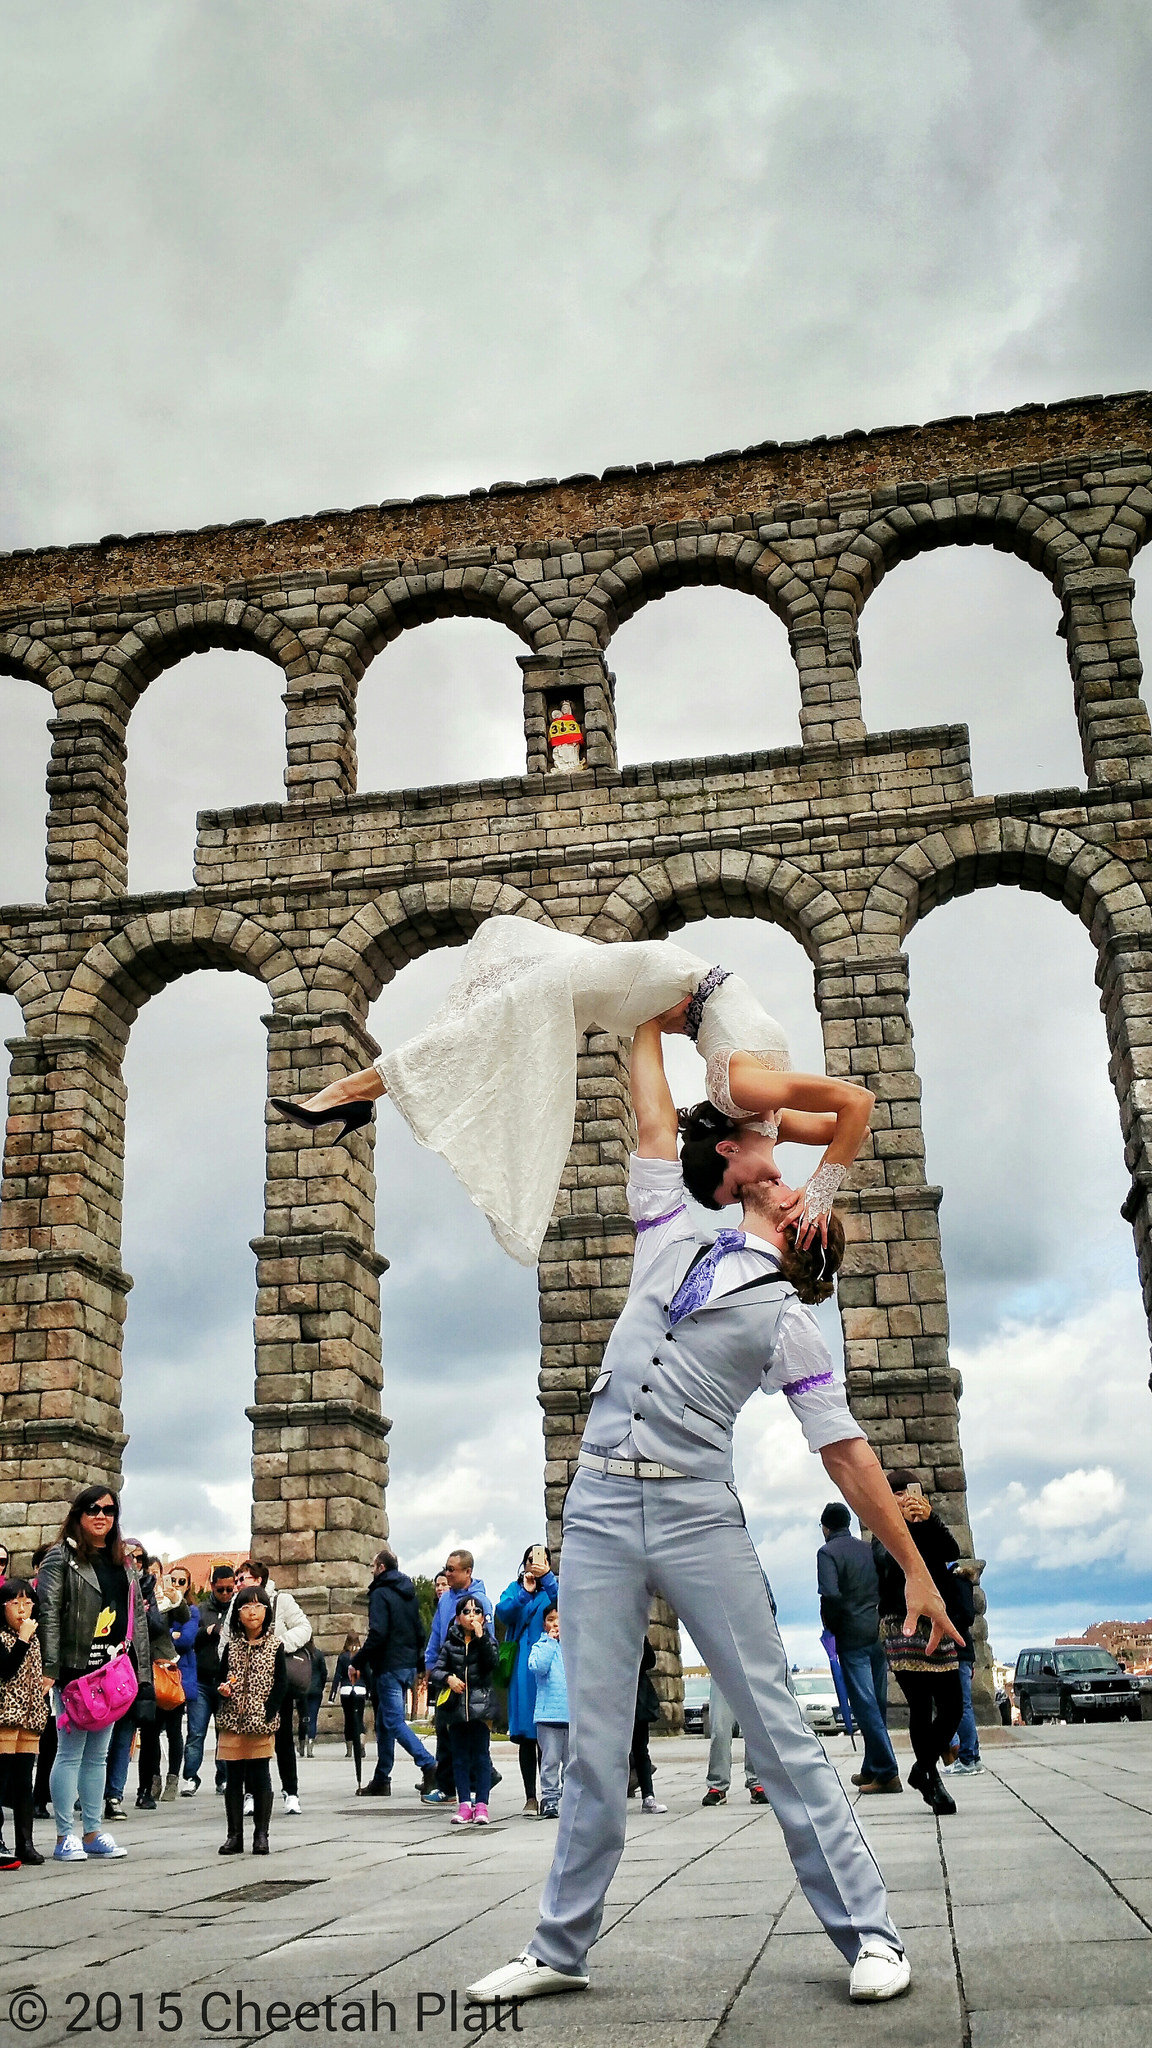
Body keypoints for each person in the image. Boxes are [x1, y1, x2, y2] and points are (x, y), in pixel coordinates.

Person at [465, 1008, 962, 2011]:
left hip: (697, 1512)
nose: (785, 1166)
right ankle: (561, 1942)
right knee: (597, 1733)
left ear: (814, 1231)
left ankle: (873, 1932)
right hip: (597, 1505)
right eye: (769, 1161)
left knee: (777, 1727)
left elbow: (847, 1452)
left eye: (800, 1177)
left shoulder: (790, 1319)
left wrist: (912, 1565)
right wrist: (645, 1003)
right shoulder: (673, 1222)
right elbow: (651, 1112)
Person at [271, 918, 840, 1268]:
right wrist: (821, 1192)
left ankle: (359, 1090)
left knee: (508, 1022)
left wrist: (659, 1021)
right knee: (507, 1016)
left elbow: (847, 1122)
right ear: (725, 1150)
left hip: (657, 987)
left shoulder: (760, 1115)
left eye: (736, 1195)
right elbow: (856, 1109)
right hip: (665, 977)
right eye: (738, 1194)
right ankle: (361, 1089)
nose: (760, 1191)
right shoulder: (753, 1099)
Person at [37, 1484, 154, 1863]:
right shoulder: (61, 1558)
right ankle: (63, 1835)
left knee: (98, 1756)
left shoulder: (123, 1562)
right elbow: (49, 1614)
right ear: (78, 1515)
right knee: (70, 1753)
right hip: (74, 1668)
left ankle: (91, 1830)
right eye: (92, 1509)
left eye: (108, 1510)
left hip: (111, 1667)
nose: (101, 1516)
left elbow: (136, 1620)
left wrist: (143, 1672)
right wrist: (51, 1668)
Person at [872, 1473, 972, 1817]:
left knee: (953, 1705)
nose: (902, 1498)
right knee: (919, 1704)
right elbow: (889, 1568)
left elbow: (950, 1552)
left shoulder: (927, 1521)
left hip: (936, 1619)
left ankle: (922, 1768)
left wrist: (928, 1520)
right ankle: (932, 1781)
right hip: (902, 1624)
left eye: (907, 1492)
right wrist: (903, 1524)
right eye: (894, 1493)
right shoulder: (881, 1528)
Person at [817, 1503, 901, 1795]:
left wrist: (832, 1628)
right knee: (877, 1703)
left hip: (851, 1636)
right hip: (877, 1633)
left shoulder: (827, 1553)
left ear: (826, 1527)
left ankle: (888, 1772)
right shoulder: (867, 1550)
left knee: (864, 1706)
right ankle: (871, 1768)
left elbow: (830, 1594)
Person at [224, 1562, 311, 1815]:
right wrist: (228, 1669)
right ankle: (250, 1793)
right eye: (237, 1578)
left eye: (244, 1577)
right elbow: (226, 1640)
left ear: (259, 1579)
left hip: (274, 1679)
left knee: (283, 1738)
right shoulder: (235, 1604)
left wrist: (276, 1645)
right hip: (243, 1683)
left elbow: (304, 1628)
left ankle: (291, 1791)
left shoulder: (281, 1600)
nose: (239, 1582)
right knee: (247, 1739)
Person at [355, 1546, 437, 1799]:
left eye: (372, 1566)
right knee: (383, 1722)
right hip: (406, 1664)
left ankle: (429, 1764)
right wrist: (419, 1663)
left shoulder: (380, 1593)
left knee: (392, 1721)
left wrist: (357, 1660)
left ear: (381, 1568)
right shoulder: (408, 1592)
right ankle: (381, 1779)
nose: (370, 1570)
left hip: (389, 1665)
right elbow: (419, 1629)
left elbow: (378, 1633)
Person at [216, 1584, 287, 1856]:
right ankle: (234, 1835)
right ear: (238, 1614)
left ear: (267, 1612)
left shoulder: (275, 1645)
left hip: (260, 1722)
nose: (252, 1612)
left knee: (260, 1777)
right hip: (232, 1720)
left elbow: (280, 1683)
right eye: (246, 1607)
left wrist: (269, 1711)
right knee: (233, 1778)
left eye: (258, 1606)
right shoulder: (231, 1647)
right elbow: (221, 1679)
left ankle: (261, 1835)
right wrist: (223, 1691)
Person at [424, 1552, 494, 1805]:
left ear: (468, 1572)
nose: (447, 1573)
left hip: (473, 1683)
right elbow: (436, 1634)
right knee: (446, 1734)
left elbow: (490, 1647)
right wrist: (431, 1666)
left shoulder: (480, 1601)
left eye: (452, 1569)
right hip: (448, 1677)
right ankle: (448, 1787)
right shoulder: (445, 1602)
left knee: (474, 1742)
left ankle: (475, 1788)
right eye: (446, 1568)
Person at [496, 1544, 559, 1815]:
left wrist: (546, 1578)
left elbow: (566, 1602)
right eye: (531, 1559)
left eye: (541, 1558)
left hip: (551, 1663)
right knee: (526, 1733)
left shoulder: (552, 1588)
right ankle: (530, 1796)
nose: (535, 1563)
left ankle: (550, 1793)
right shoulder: (515, 1588)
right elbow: (503, 1612)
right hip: (523, 1665)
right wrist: (525, 1592)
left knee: (549, 1729)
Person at [433, 1595, 499, 1827]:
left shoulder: (488, 1641)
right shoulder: (450, 1645)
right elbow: (436, 1671)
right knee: (459, 1757)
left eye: (476, 1611)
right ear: (458, 1617)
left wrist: (481, 1638)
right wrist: (449, 1678)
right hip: (456, 1709)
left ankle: (481, 1804)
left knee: (481, 1756)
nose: (472, 1616)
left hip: (481, 1708)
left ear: (483, 1616)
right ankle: (464, 1804)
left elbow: (492, 1663)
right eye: (467, 1612)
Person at [0, 1576, 50, 1865]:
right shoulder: (8, 1636)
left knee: (23, 1783)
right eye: (15, 1602)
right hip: (5, 1715)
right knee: (1, 1779)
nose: (22, 1609)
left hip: (29, 1717)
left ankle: (25, 1842)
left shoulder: (34, 1636)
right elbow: (6, 1669)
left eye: (27, 1602)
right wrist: (22, 1639)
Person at [134, 1559, 191, 1808]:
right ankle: (150, 1781)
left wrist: (176, 1598)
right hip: (144, 1670)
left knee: (175, 1729)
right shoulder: (140, 1597)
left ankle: (173, 1778)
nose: (154, 1576)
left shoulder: (167, 1600)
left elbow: (185, 1617)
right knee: (149, 1732)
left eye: (158, 1572)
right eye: (151, 1572)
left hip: (166, 1668)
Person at [182, 1562, 235, 1796]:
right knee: (196, 1732)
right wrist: (208, 1631)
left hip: (227, 1681)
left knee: (224, 1733)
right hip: (202, 1680)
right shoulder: (201, 1610)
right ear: (212, 1587)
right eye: (220, 1589)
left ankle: (222, 1778)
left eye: (229, 1589)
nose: (225, 1594)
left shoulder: (238, 1609)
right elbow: (188, 1638)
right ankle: (191, 1777)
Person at [528, 1607, 568, 1820]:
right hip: (549, 1716)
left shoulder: (574, 1646)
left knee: (572, 1762)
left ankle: (570, 1797)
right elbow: (538, 1667)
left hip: (572, 1715)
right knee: (550, 1761)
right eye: (551, 1620)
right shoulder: (541, 1646)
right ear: (544, 1624)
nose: (555, 1624)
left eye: (559, 1619)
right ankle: (550, 1799)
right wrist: (551, 1643)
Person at [701, 1679, 766, 1806]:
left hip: (753, 1668)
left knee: (756, 1728)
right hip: (722, 1668)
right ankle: (717, 1785)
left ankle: (757, 1782)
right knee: (719, 1729)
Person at [629, 1639, 667, 1816]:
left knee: (640, 1749)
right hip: (618, 1697)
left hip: (637, 1698)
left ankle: (648, 1796)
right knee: (631, 1751)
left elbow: (650, 1660)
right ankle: (646, 1796)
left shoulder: (638, 1633)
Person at [329, 1634, 368, 1764]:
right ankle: (361, 1744)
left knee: (348, 1719)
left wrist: (332, 1695)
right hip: (360, 1689)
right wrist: (370, 1690)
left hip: (346, 1690)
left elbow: (337, 1676)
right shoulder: (362, 1655)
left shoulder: (343, 1656)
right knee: (359, 1718)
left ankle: (349, 1749)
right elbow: (367, 1674)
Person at [297, 1644, 327, 1758]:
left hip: (302, 1690)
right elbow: (324, 1672)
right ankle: (310, 1745)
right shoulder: (318, 1654)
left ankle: (301, 1745)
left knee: (302, 1718)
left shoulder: (299, 1654)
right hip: (316, 1690)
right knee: (313, 1717)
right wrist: (321, 1686)